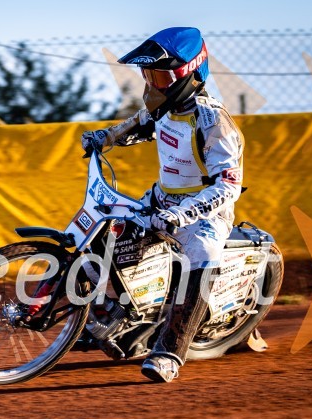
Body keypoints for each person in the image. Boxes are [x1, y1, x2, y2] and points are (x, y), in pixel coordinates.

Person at [81, 27, 245, 383]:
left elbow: (228, 185)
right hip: (161, 199)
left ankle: (171, 350)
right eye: (148, 75)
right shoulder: (165, 109)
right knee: (105, 238)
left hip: (204, 213)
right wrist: (104, 138)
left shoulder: (214, 120)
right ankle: (112, 316)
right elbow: (138, 124)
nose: (152, 84)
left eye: (159, 76)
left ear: (189, 73)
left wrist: (184, 214)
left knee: (202, 256)